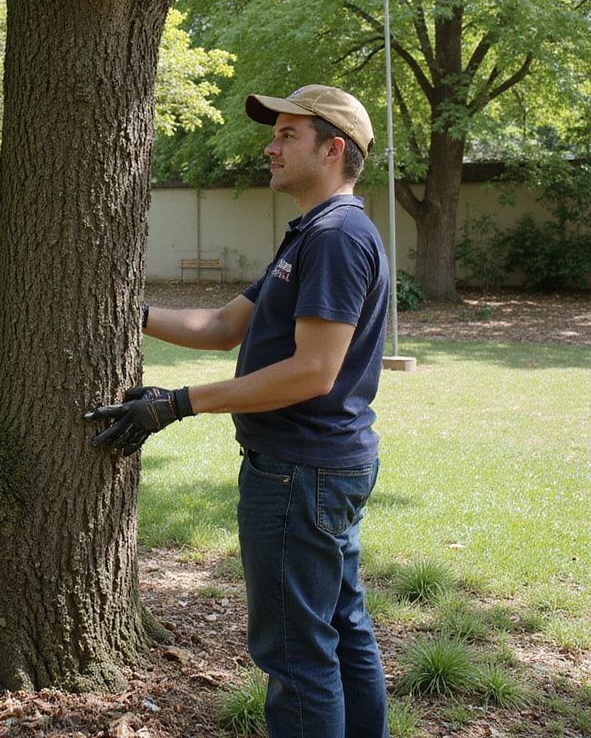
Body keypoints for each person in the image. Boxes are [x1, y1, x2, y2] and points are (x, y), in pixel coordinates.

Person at [86, 85, 390, 738]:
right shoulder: (312, 233)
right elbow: (225, 326)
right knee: (341, 629)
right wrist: (124, 315)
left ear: (332, 149)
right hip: (321, 471)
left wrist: (178, 405)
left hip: (299, 474)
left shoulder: (336, 236)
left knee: (298, 655)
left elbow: (313, 371)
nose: (269, 145)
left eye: (286, 135)